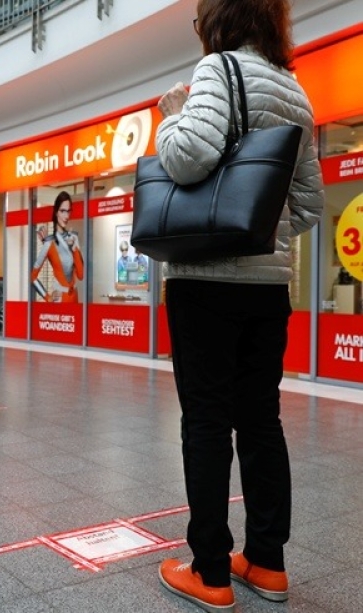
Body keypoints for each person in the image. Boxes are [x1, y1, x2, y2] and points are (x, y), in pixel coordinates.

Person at [154, 2, 325, 612]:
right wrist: (265, 234)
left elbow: (185, 157)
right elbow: (308, 205)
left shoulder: (216, 70)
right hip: (268, 287)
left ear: (217, 20)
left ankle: (210, 572)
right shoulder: (294, 88)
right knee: (260, 420)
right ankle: (267, 563)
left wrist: (172, 117)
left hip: (204, 283)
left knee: (205, 421)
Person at [31, 191, 83, 302]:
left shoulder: (73, 238)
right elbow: (33, 277)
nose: (66, 216)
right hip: (60, 299)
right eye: (62, 211)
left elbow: (81, 275)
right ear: (56, 212)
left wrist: (75, 249)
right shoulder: (49, 243)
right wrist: (47, 297)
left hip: (74, 298)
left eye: (68, 211)